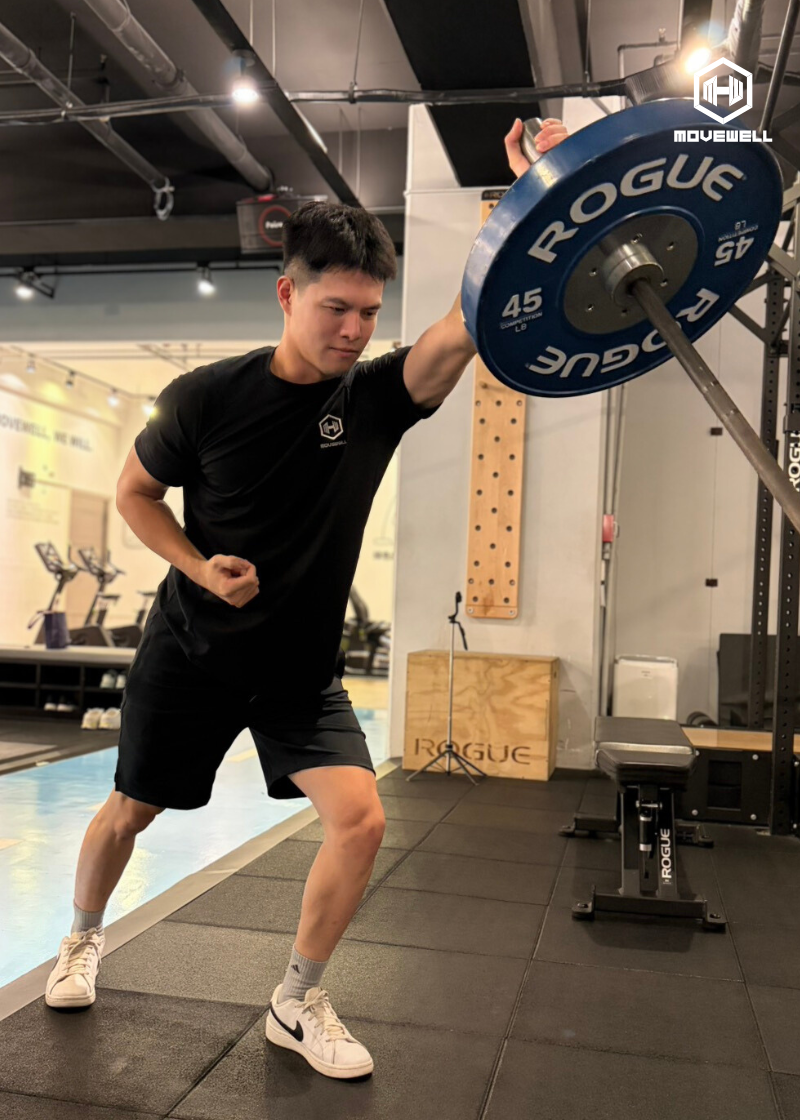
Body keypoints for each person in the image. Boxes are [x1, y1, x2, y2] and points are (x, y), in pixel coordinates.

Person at [44, 117, 568, 1080]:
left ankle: (296, 1000)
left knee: (361, 819)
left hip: (297, 670)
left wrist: (544, 186)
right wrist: (199, 566)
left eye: (368, 312)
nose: (354, 330)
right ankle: (81, 939)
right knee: (130, 811)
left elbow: (467, 319)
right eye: (335, 308)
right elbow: (134, 493)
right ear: (288, 294)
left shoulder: (374, 399)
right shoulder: (204, 396)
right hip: (193, 654)